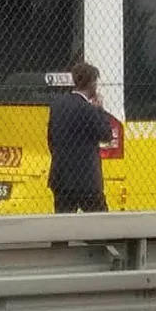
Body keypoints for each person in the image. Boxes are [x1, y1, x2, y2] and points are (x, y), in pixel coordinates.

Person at [46, 61, 115, 214]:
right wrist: (100, 109)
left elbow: (50, 138)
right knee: (100, 222)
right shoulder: (89, 110)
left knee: (62, 224)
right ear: (91, 83)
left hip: (61, 176)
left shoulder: (57, 105)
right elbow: (106, 135)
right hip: (86, 179)